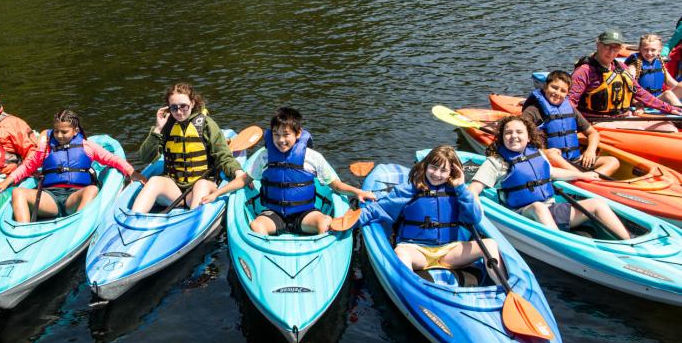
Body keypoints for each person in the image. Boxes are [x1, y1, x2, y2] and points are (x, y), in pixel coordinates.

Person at [203, 107, 375, 235]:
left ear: (298, 133)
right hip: (274, 214)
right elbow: (244, 180)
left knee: (325, 222)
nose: (281, 140)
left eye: (286, 135)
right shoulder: (264, 156)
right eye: (276, 135)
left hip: (304, 214)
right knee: (256, 226)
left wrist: (357, 192)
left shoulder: (312, 157)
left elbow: (335, 185)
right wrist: (216, 194)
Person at [467, 115, 630, 239]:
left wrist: (583, 175)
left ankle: (628, 242)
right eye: (508, 133)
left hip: (551, 210)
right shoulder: (496, 162)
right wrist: (477, 211)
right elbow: (473, 189)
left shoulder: (536, 153)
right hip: (521, 215)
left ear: (529, 136)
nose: (513, 136)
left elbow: (551, 173)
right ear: (502, 138)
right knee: (538, 206)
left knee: (597, 204)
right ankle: (561, 243)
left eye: (519, 132)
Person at [355, 145, 496, 285]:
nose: (437, 174)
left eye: (444, 170)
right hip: (417, 251)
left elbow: (474, 218)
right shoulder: (410, 188)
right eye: (433, 167)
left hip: (448, 252)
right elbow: (378, 209)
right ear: (425, 165)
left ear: (452, 172)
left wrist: (461, 186)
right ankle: (411, 289)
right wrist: (345, 222)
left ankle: (504, 289)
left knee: (490, 244)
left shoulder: (458, 191)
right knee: (401, 252)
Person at [0, 108, 145, 223]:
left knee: (92, 189)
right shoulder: (46, 148)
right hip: (50, 198)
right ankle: (23, 232)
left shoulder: (87, 146)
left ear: (75, 131)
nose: (59, 135)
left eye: (64, 132)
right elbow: (27, 166)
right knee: (18, 193)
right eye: (56, 131)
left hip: (74, 198)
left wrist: (132, 172)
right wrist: (7, 181)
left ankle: (78, 225)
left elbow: (112, 159)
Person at [132, 82, 246, 212]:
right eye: (174, 108)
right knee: (154, 181)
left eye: (183, 106)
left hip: (201, 187)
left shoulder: (206, 124)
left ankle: (193, 221)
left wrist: (237, 171)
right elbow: (145, 158)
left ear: (192, 103)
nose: (179, 112)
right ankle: (132, 221)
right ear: (168, 108)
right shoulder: (165, 126)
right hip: (174, 190)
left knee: (201, 185)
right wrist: (157, 129)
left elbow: (223, 156)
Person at [569, 29, 682, 129]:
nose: (612, 51)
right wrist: (581, 127)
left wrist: (668, 108)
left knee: (667, 128)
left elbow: (640, 92)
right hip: (597, 121)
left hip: (623, 116)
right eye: (608, 46)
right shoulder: (584, 71)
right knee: (660, 131)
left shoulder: (621, 68)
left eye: (616, 47)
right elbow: (570, 104)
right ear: (598, 45)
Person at [520, 70, 620, 176]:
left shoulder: (569, 109)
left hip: (574, 159)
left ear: (567, 93)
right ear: (545, 87)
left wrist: (590, 151)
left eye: (563, 91)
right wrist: (543, 152)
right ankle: (584, 177)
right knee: (552, 154)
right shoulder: (532, 110)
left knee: (613, 162)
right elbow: (520, 137)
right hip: (550, 161)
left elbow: (593, 133)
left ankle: (588, 179)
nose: (557, 93)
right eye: (554, 87)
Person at [624, 34, 682, 105]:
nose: (649, 53)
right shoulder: (633, 67)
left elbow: (674, 85)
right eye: (645, 49)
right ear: (640, 49)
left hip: (657, 99)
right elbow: (627, 89)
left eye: (653, 50)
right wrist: (637, 104)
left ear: (659, 50)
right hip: (643, 102)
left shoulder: (659, 63)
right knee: (668, 94)